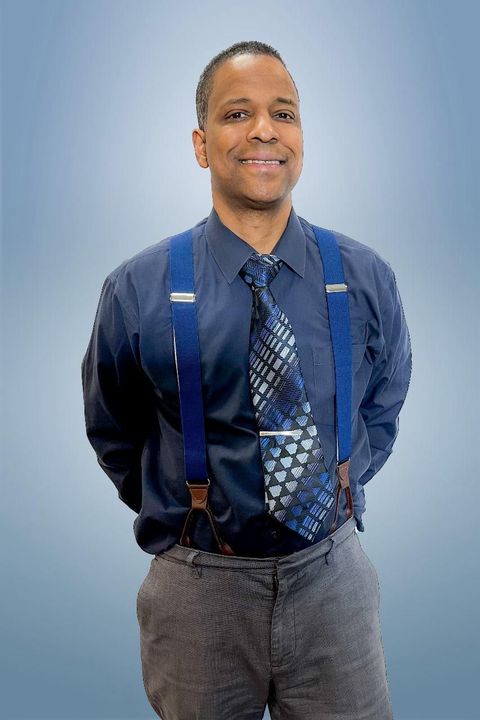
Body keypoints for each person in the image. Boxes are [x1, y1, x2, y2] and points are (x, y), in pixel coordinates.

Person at [81, 40, 412, 720]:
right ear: (201, 145)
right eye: (238, 113)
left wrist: (342, 480)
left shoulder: (365, 275)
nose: (264, 129)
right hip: (198, 591)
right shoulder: (136, 289)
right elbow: (112, 428)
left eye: (283, 113)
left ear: (301, 138)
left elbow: (387, 398)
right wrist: (182, 508)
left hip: (334, 581)